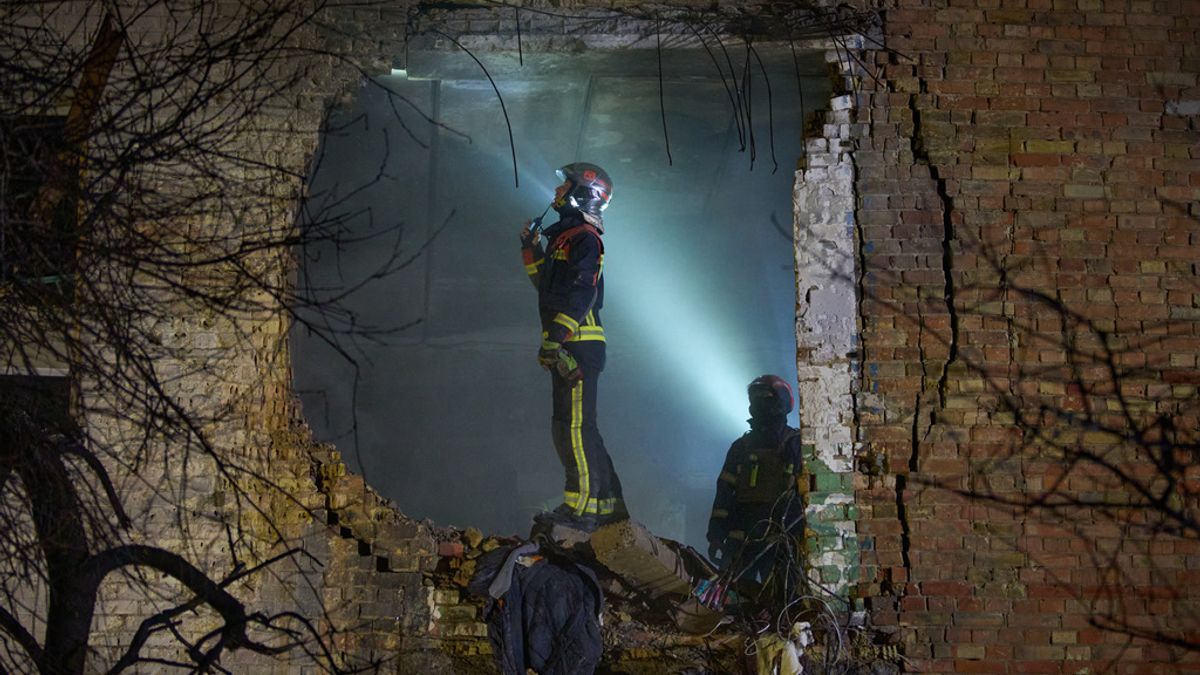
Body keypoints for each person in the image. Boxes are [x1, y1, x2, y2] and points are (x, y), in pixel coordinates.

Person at [519, 163, 626, 532]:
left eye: (565, 185)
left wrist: (557, 338)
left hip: (579, 347)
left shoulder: (585, 239)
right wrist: (530, 251)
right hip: (566, 345)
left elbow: (582, 294)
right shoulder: (564, 238)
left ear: (584, 193)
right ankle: (605, 505)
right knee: (566, 428)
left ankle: (583, 511)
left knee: (576, 429)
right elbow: (548, 289)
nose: (557, 191)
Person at [707, 374, 804, 581]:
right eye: (756, 398)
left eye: (765, 397)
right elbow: (723, 494)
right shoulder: (740, 447)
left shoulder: (794, 444)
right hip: (741, 543)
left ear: (780, 400)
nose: (759, 403)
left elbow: (804, 496)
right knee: (736, 600)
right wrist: (716, 535)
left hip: (780, 543)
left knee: (783, 602)